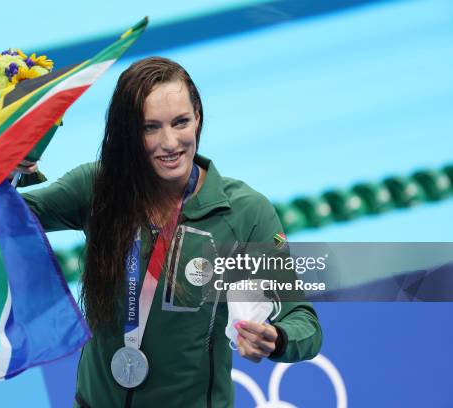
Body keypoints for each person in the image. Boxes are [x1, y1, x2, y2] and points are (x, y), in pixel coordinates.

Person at [17, 56, 322, 408]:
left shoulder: (242, 213)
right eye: (151, 127)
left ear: (198, 120)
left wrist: (277, 338)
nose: (170, 142)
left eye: (181, 123)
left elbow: (305, 323)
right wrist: (8, 165)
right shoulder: (99, 188)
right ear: (130, 132)